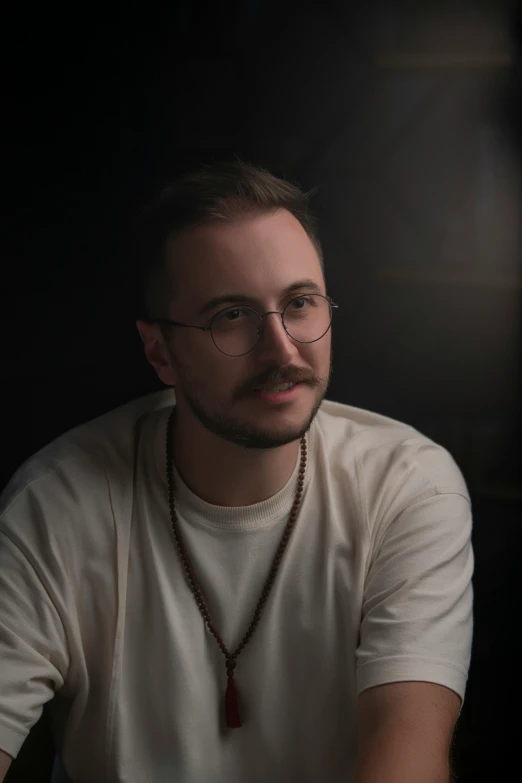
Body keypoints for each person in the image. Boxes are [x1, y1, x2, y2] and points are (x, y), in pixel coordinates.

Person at [0, 160, 473, 783]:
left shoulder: (409, 486)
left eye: (300, 303)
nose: (281, 350)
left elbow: (406, 750)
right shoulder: (55, 503)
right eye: (231, 315)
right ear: (160, 351)